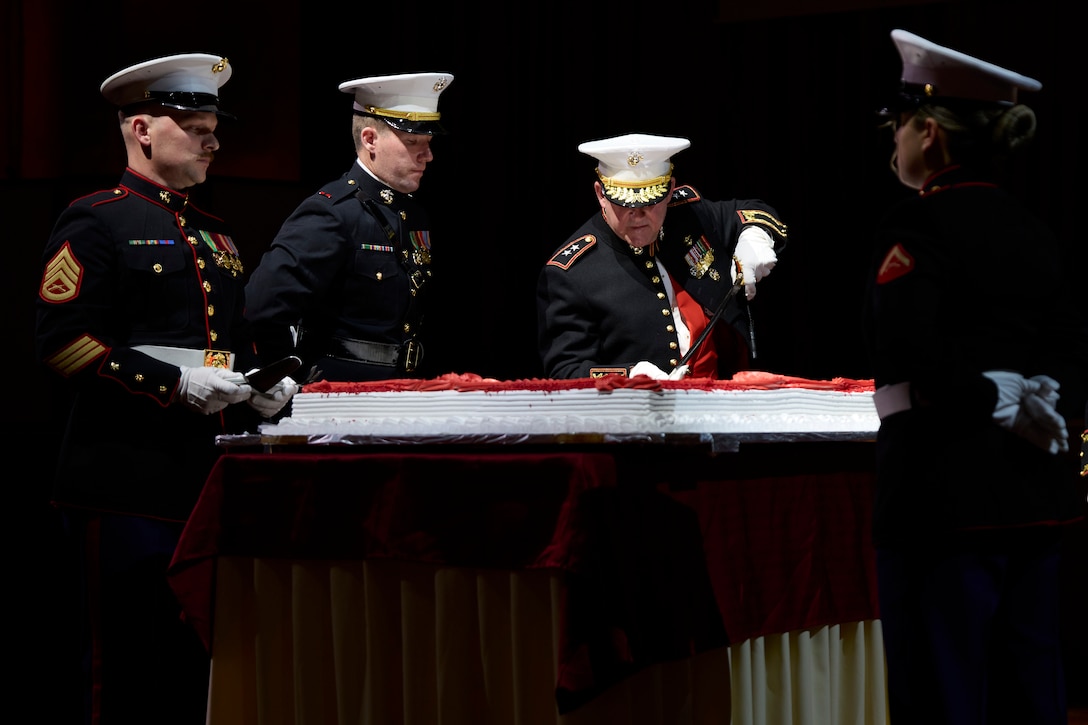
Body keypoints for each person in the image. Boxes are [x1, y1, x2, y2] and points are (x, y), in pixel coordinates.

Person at [35, 53, 297, 724]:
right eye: (196, 126)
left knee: (194, 666)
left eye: (214, 127)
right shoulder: (97, 220)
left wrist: (265, 385)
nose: (213, 140)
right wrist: (173, 383)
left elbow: (237, 338)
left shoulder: (217, 236)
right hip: (121, 480)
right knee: (118, 669)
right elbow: (65, 343)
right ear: (142, 129)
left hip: (201, 477)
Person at [862, 29, 1086, 724]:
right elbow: (1070, 346)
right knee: (1030, 695)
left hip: (943, 496)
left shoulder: (918, 224)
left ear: (929, 133)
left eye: (898, 124)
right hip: (1034, 492)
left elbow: (910, 347)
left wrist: (990, 395)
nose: (892, 139)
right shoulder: (1035, 229)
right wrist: (1042, 397)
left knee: (941, 695)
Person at [244, 71, 454, 382]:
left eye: (429, 142)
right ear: (370, 139)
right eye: (412, 141)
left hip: (401, 387)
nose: (428, 155)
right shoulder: (332, 212)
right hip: (338, 391)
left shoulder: (413, 214)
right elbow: (261, 309)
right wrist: (291, 380)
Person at [536, 133, 788, 380]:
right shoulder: (572, 272)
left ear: (669, 191)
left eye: (650, 201)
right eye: (625, 203)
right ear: (601, 194)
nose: (638, 214)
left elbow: (756, 210)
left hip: (721, 399)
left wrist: (755, 237)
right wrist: (630, 375)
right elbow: (565, 371)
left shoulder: (689, 215)